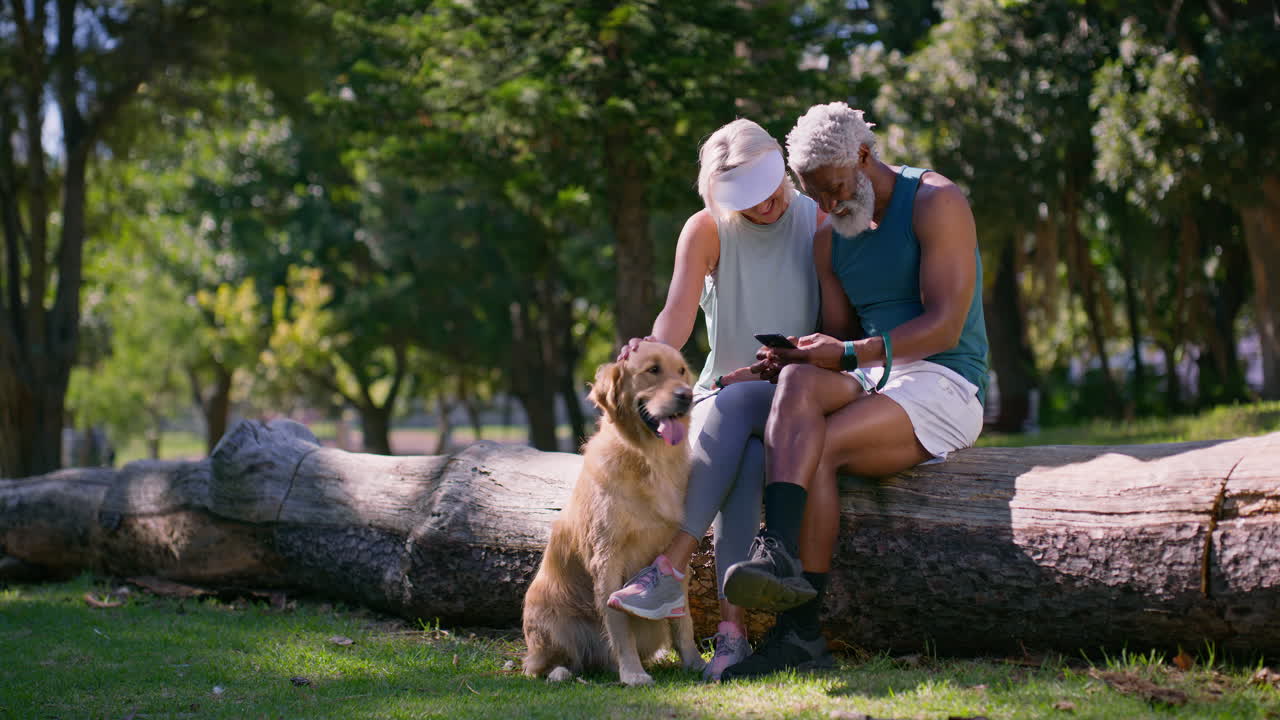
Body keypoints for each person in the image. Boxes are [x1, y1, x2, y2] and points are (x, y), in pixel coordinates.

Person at [717, 102, 990, 680]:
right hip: (879, 377)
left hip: (944, 380)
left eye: (834, 188)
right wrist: (795, 354)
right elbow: (841, 338)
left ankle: (799, 628)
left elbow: (942, 325)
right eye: (813, 195)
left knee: (822, 445)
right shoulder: (830, 238)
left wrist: (844, 354)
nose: (827, 206)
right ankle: (781, 562)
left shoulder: (937, 201)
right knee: (797, 382)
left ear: (864, 156)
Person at [605, 117, 827, 681]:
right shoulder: (706, 229)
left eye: (770, 188)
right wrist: (651, 347)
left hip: (796, 394)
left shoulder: (816, 217)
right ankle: (732, 636)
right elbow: (676, 318)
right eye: (748, 200)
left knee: (740, 418)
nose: (767, 205)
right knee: (746, 455)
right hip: (726, 392)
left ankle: (669, 569)